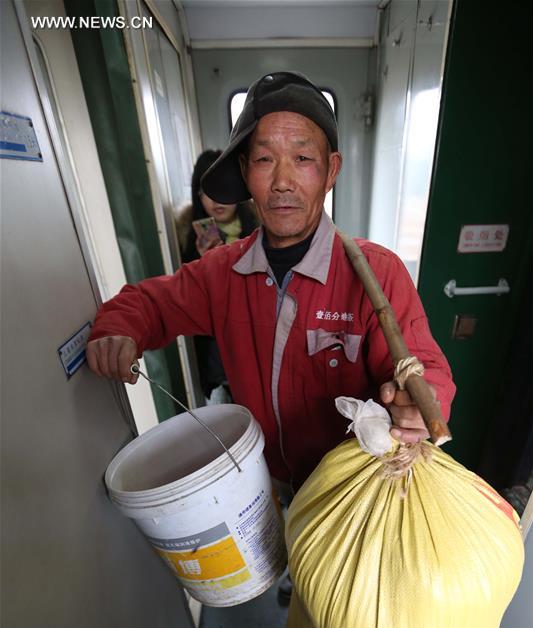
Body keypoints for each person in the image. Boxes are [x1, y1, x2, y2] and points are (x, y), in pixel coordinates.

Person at [86, 70, 456, 491]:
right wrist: (118, 329)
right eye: (264, 160)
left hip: (350, 492)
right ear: (245, 172)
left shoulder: (377, 273)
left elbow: (424, 368)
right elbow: (148, 304)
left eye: (302, 159)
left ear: (331, 170)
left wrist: (419, 404)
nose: (282, 182)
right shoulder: (222, 272)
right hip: (262, 482)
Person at [177, 150, 259, 401]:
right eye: (207, 190)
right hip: (215, 341)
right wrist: (202, 265)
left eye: (225, 188)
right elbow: (187, 297)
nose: (217, 199)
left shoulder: (261, 223)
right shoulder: (187, 233)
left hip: (255, 329)